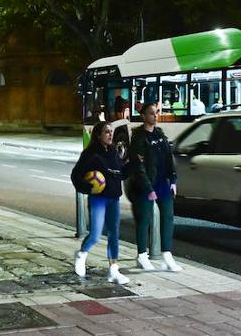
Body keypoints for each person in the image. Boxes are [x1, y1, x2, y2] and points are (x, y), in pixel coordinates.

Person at [127, 102, 183, 272]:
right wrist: (148, 189)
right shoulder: (138, 138)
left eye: (156, 112)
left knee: (168, 217)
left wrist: (173, 180)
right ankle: (142, 255)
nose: (155, 116)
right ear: (143, 116)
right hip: (145, 186)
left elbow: (168, 158)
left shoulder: (160, 134)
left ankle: (167, 255)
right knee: (144, 220)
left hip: (162, 184)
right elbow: (138, 167)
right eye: (151, 113)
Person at [70, 122, 128, 284]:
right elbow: (76, 175)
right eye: (107, 132)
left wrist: (135, 163)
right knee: (95, 235)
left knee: (114, 234)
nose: (110, 135)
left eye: (111, 132)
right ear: (98, 135)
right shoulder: (90, 154)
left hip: (113, 198)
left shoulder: (113, 152)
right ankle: (82, 254)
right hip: (98, 198)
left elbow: (121, 173)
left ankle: (113, 269)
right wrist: (87, 187)